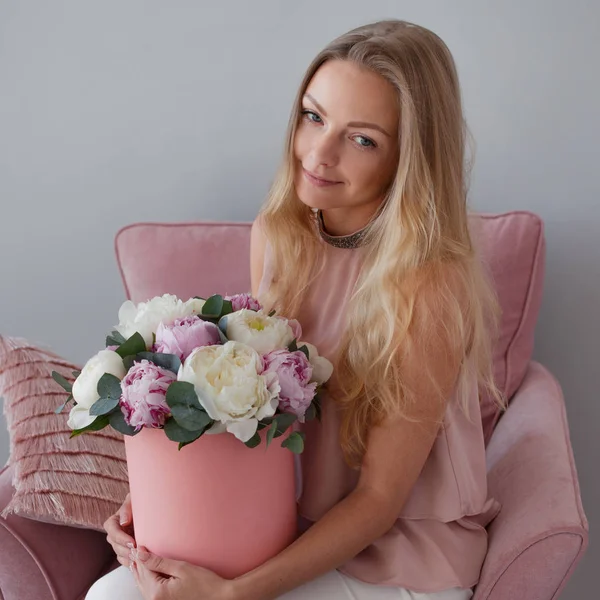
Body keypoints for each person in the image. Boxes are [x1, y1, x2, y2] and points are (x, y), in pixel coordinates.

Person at [87, 19, 503, 600]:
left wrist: (233, 595)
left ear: (408, 158)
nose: (320, 153)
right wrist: (161, 503)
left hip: (403, 555)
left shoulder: (428, 285)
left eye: (362, 139)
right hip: (288, 522)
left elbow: (380, 502)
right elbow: (259, 415)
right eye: (314, 116)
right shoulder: (279, 236)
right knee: (111, 594)